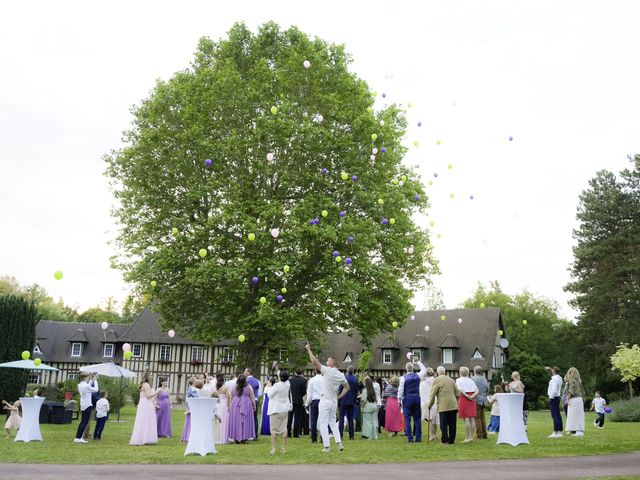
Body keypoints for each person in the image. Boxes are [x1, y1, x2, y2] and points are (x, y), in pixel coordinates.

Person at [305, 342, 350, 452]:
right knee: (333, 423)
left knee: (323, 423)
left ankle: (327, 446)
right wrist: (339, 397)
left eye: (328, 361)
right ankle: (339, 445)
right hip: (333, 400)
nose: (326, 362)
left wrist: (309, 350)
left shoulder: (328, 371)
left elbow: (314, 362)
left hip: (325, 400)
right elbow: (347, 387)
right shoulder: (340, 374)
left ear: (332, 363)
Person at [427, 366, 461, 445]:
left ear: (438, 372)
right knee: (453, 424)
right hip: (453, 404)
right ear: (444, 372)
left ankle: (445, 440)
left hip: (443, 405)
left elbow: (433, 393)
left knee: (443, 424)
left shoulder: (436, 380)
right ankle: (451, 441)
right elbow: (458, 393)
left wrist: (430, 405)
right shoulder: (451, 380)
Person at [398, 360, 427, 442]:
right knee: (417, 419)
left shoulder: (403, 378)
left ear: (406, 369)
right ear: (413, 368)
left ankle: (410, 438)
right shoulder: (418, 376)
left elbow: (400, 390)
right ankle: (418, 438)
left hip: (407, 399)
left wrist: (399, 400)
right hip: (417, 398)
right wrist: (417, 361)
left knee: (407, 418)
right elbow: (424, 370)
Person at [130, 371, 159, 445]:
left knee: (143, 420)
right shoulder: (146, 384)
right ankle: (145, 439)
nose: (152, 377)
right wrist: (157, 391)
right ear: (147, 376)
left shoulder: (144, 384)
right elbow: (148, 396)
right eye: (151, 375)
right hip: (146, 404)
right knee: (146, 420)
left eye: (152, 375)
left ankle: (143, 438)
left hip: (143, 403)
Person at [267, 369, 291, 454]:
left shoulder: (276, 386)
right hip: (284, 409)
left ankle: (273, 449)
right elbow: (281, 376)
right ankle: (283, 448)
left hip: (276, 409)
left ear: (280, 377)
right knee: (284, 429)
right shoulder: (288, 384)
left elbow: (269, 395)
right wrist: (278, 370)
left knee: (273, 430)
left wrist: (269, 386)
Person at [228, 374, 256, 443]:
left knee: (236, 420)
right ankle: (244, 438)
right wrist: (254, 406)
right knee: (245, 421)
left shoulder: (233, 387)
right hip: (246, 404)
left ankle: (236, 438)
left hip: (235, 404)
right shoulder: (249, 387)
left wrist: (230, 405)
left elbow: (231, 396)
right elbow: (252, 397)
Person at [74, 372, 99, 444]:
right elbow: (96, 390)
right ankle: (78, 438)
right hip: (87, 405)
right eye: (88, 377)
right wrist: (95, 380)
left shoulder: (80, 385)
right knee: (84, 422)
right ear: (86, 378)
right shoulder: (86, 386)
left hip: (83, 404)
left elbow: (88, 386)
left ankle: (78, 437)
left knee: (83, 421)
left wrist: (91, 380)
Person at [456, 366, 479, 442]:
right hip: (472, 398)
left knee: (466, 418)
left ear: (460, 372)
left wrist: (467, 396)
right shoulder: (471, 380)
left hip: (464, 398)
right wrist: (472, 396)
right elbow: (477, 391)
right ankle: (471, 437)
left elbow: (460, 390)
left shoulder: (458, 380)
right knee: (472, 418)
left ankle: (468, 437)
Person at [338, 365, 359, 441]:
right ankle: (351, 435)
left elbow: (340, 389)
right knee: (350, 418)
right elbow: (356, 391)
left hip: (343, 400)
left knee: (341, 418)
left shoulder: (344, 378)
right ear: (353, 371)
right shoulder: (355, 379)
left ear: (347, 371)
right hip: (351, 401)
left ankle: (340, 435)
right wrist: (354, 399)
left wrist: (339, 398)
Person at [287, 367, 307, 438]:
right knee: (297, 418)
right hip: (299, 400)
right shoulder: (304, 380)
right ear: (301, 373)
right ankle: (296, 433)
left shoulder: (290, 380)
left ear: (295, 372)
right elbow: (304, 391)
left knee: (289, 417)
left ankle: (288, 433)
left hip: (291, 401)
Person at [420, 367, 439, 442]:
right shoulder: (436, 381)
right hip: (435, 401)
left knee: (430, 420)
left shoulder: (423, 383)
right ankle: (435, 434)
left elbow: (421, 393)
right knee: (434, 419)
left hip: (427, 402)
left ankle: (432, 435)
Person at [565, 367, 585, 436]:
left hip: (574, 400)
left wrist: (567, 399)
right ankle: (575, 430)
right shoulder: (579, 381)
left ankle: (578, 431)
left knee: (573, 416)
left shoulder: (571, 380)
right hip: (579, 399)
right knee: (578, 416)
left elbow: (571, 391)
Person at [305, 368, 323, 443]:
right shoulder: (324, 380)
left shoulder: (311, 380)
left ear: (315, 371)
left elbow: (309, 394)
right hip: (323, 400)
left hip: (314, 401)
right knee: (323, 420)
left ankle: (314, 438)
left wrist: (307, 403)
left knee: (313, 420)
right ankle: (323, 437)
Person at [471, 366, 489, 439]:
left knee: (477, 418)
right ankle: (484, 434)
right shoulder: (484, 379)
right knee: (482, 418)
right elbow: (487, 389)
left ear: (474, 371)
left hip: (476, 399)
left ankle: (479, 435)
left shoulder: (472, 379)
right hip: (484, 399)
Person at [245, 367, 262, 440]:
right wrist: (255, 398)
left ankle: (247, 434)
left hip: (246, 401)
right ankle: (255, 435)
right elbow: (260, 392)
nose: (244, 373)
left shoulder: (244, 381)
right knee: (255, 418)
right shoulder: (257, 381)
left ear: (249, 372)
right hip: (255, 400)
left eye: (245, 371)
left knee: (246, 417)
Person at [547, 366, 564, 438]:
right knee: (558, 414)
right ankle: (560, 431)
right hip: (557, 397)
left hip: (554, 397)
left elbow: (553, 389)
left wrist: (551, 397)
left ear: (553, 371)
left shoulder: (554, 379)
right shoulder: (559, 378)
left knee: (554, 415)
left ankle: (555, 432)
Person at [181, 377, 198, 443]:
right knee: (190, 422)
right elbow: (196, 396)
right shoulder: (191, 389)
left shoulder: (192, 388)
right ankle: (187, 436)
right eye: (195, 381)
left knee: (189, 422)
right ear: (193, 382)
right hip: (192, 408)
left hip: (192, 407)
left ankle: (187, 436)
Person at [216, 374, 230, 444]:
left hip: (219, 403)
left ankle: (219, 437)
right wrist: (228, 405)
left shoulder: (217, 387)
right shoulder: (225, 387)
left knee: (219, 420)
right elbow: (228, 397)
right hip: (224, 403)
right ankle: (224, 437)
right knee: (224, 420)